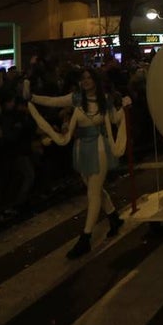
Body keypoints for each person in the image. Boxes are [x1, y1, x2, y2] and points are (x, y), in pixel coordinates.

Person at [28, 67, 131, 259]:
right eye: (83, 78)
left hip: (99, 148)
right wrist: (32, 98)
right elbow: (54, 101)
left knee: (93, 193)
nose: (85, 81)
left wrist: (124, 108)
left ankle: (85, 238)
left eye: (89, 78)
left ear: (95, 80)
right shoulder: (76, 98)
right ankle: (114, 218)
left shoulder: (105, 99)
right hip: (81, 149)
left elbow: (115, 119)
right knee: (96, 189)